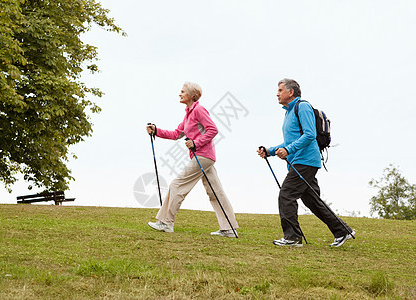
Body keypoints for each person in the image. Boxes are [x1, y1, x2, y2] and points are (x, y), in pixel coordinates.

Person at [257, 78, 355, 247]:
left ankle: (292, 238)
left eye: (280, 90)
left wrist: (288, 150)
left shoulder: (302, 107)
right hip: (299, 161)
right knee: (312, 201)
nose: (277, 93)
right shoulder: (288, 112)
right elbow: (290, 141)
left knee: (286, 195)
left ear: (291, 92)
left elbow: (309, 135)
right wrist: (270, 151)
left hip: (306, 160)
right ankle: (342, 231)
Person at [146, 82, 239, 237]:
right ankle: (229, 228)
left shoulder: (199, 110)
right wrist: (157, 131)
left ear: (191, 95)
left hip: (203, 156)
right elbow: (176, 134)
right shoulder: (188, 113)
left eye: (182, 91)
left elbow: (213, 130)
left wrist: (196, 143)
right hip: (204, 157)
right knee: (215, 191)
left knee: (177, 185)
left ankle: (166, 223)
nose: (179, 94)